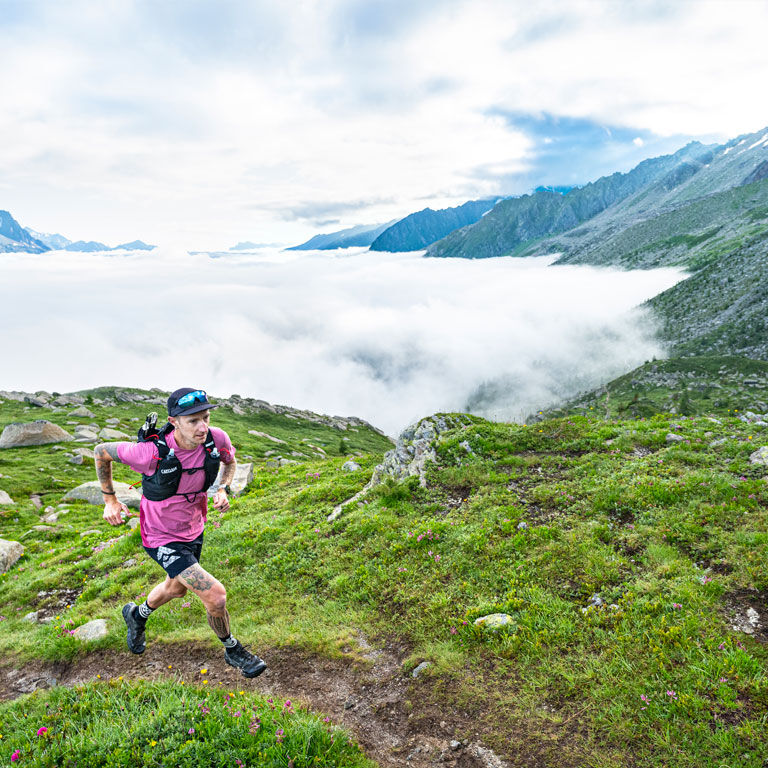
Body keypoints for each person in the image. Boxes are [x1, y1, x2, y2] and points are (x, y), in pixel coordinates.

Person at [94, 387, 266, 678]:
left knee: (176, 588)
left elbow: (230, 461)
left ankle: (137, 615)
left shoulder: (216, 438)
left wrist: (222, 488)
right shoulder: (148, 453)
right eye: (193, 421)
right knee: (216, 596)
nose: (203, 427)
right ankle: (233, 649)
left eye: (206, 418)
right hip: (160, 535)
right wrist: (110, 498)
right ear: (174, 422)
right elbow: (101, 452)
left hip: (193, 528)